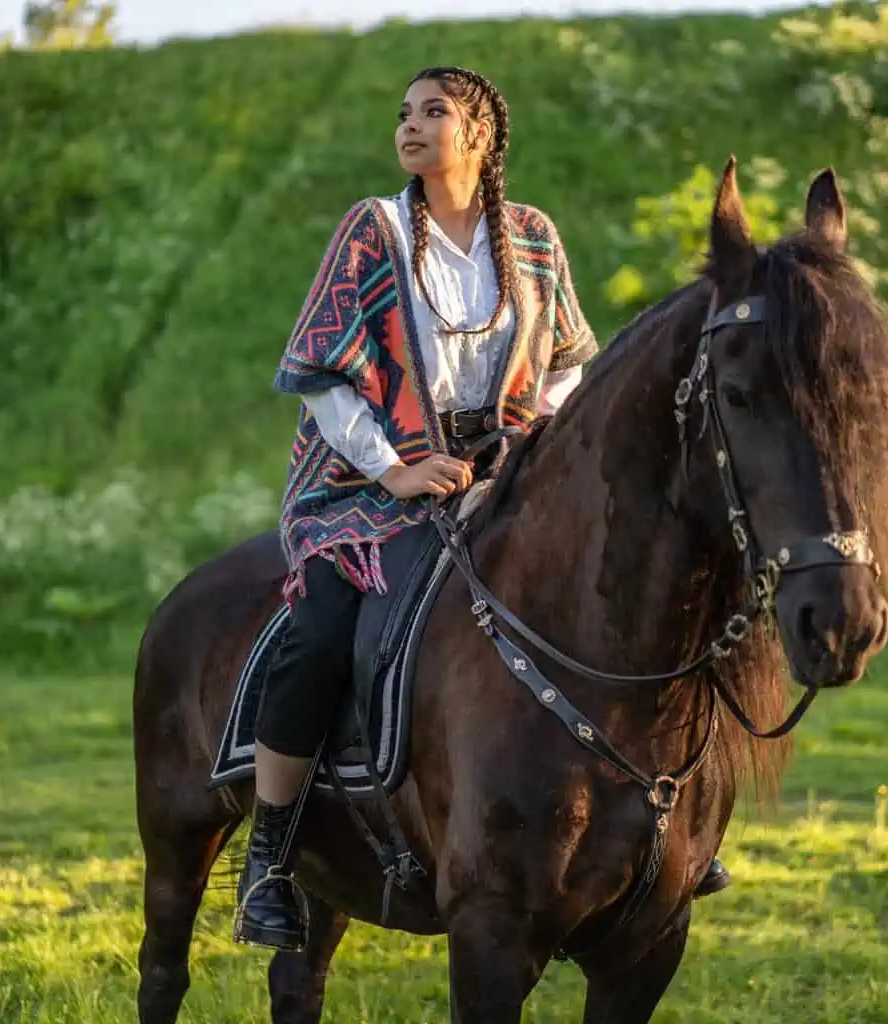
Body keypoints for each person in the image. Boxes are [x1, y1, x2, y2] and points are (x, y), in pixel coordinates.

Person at [234, 65, 728, 953]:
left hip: (506, 473)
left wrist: (535, 433)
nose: (411, 125)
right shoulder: (371, 231)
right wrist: (395, 469)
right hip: (364, 490)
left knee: (631, 596)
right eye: (404, 114)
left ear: (483, 136)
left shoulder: (531, 237)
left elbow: (572, 359)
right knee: (318, 631)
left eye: (435, 112)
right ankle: (271, 851)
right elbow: (324, 382)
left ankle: (671, 825)